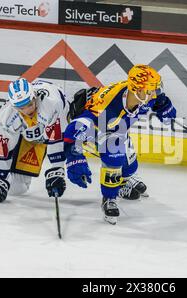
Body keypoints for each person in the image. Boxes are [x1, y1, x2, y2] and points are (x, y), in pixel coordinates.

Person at [63, 64, 177, 224]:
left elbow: (157, 101)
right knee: (114, 155)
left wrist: (164, 105)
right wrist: (74, 157)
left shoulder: (143, 95)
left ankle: (125, 180)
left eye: (156, 90)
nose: (154, 94)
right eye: (152, 91)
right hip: (98, 128)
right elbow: (72, 131)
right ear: (137, 90)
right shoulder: (104, 106)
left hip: (118, 127)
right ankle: (109, 198)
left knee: (130, 166)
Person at [0, 78, 68, 203]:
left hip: (50, 130)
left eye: (30, 105)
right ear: (13, 105)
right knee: (18, 189)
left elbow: (56, 138)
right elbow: (2, 149)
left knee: (20, 187)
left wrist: (57, 170)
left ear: (34, 97)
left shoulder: (52, 104)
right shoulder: (7, 116)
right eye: (21, 108)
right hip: (27, 135)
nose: (28, 111)